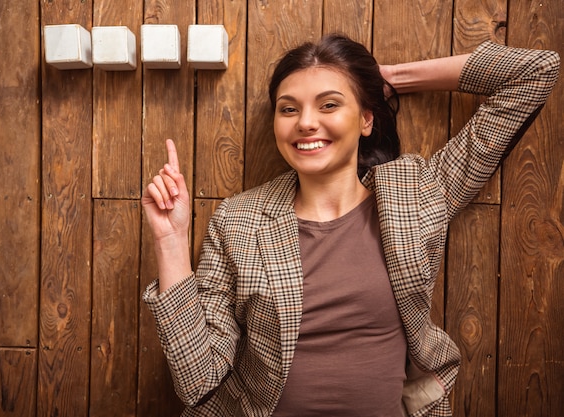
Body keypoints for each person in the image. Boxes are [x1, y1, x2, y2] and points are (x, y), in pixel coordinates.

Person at [141, 34, 559, 417]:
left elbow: (535, 72)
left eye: (329, 104)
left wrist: (388, 80)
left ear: (366, 120)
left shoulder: (416, 196)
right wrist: (171, 242)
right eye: (289, 109)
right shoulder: (237, 221)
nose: (305, 122)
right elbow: (198, 379)